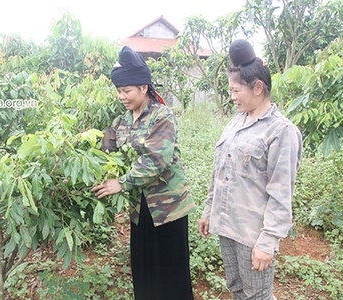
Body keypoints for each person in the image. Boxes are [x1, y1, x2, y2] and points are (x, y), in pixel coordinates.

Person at [198, 39, 303, 300]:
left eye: (236, 91)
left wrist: (267, 242)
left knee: (258, 296)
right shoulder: (235, 123)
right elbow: (219, 172)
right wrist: (209, 210)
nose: (231, 97)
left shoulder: (281, 131)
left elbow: (281, 194)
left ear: (258, 88)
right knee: (237, 290)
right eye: (230, 90)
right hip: (227, 226)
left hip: (253, 235)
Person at [92, 46, 196, 300]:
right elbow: (106, 149)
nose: (121, 96)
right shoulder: (121, 122)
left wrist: (122, 182)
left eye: (126, 90)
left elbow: (156, 160)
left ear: (143, 88)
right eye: (118, 91)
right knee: (144, 270)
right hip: (140, 210)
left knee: (171, 275)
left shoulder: (162, 116)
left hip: (167, 209)